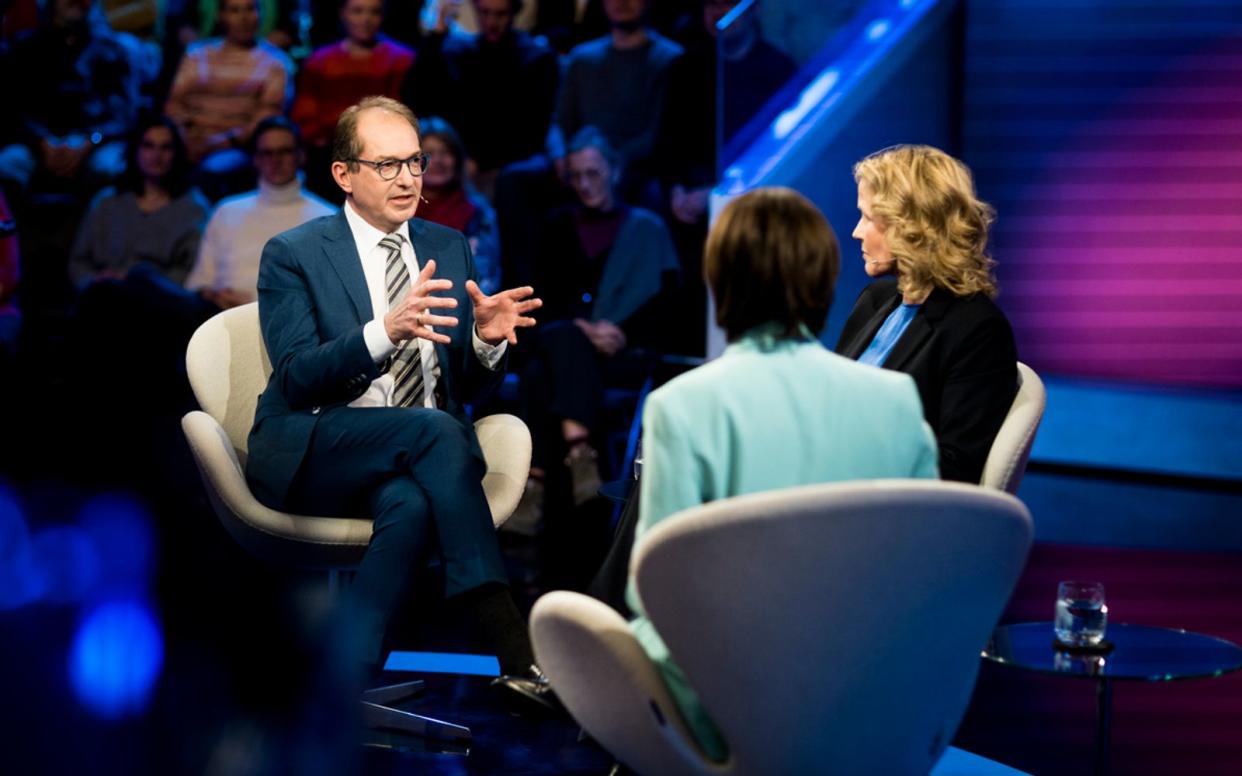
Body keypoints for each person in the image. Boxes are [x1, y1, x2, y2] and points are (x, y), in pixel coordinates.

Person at [244, 97, 546, 693]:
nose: (408, 178)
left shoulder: (449, 244)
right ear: (344, 174)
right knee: (436, 430)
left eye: (415, 162)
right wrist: (385, 331)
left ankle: (342, 683)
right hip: (320, 441)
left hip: (419, 454)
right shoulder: (295, 253)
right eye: (387, 165)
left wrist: (485, 343)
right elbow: (298, 376)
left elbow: (465, 388)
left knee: (409, 500)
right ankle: (509, 640)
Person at [625, 187, 939, 760]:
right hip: (874, 703)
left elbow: (652, 589)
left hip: (732, 707)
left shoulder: (682, 403)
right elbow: (924, 576)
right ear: (822, 281)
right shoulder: (898, 402)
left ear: (721, 280)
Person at [514, 127, 678, 528]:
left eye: (594, 173)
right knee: (559, 343)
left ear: (615, 171)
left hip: (622, 354)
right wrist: (581, 330)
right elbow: (536, 299)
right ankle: (580, 450)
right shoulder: (555, 227)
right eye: (577, 176)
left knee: (540, 374)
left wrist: (623, 334)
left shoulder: (646, 229)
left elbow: (668, 305)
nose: (586, 184)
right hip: (567, 347)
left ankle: (533, 483)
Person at [835, 144, 1018, 484]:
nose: (856, 232)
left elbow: (955, 468)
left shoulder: (978, 329)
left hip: (886, 514)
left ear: (913, 225)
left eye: (868, 218)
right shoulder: (874, 300)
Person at [400, 0, 559, 198]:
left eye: (500, 14)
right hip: (462, 162)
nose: (492, 22)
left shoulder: (535, 59)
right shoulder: (463, 53)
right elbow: (417, 95)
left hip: (506, 165)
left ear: (513, 13)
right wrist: (437, 36)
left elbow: (531, 128)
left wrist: (479, 160)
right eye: (485, 13)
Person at [184, 116, 335, 310]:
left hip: (290, 323)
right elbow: (199, 282)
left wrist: (254, 306)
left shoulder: (327, 218)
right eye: (267, 153)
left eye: (284, 151)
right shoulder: (226, 211)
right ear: (255, 159)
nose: (275, 160)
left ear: (301, 155)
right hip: (219, 317)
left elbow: (330, 296)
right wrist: (213, 296)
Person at [164, 0, 293, 200]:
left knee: (211, 171)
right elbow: (174, 103)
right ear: (221, 16)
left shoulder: (275, 63)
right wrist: (184, 139)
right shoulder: (197, 54)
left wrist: (217, 143)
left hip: (236, 146)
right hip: (188, 141)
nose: (243, 18)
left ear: (260, 14)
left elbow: (266, 118)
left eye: (250, 9)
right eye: (234, 10)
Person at [291, 0, 414, 200]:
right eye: (357, 11)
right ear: (342, 14)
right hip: (329, 154)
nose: (365, 19)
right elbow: (305, 118)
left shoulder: (401, 59)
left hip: (384, 155)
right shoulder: (320, 62)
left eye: (374, 12)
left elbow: (399, 113)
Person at [69, 115, 210, 289]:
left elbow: (190, 270)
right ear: (135, 150)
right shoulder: (106, 201)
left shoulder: (193, 208)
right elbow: (79, 262)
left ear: (176, 153)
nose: (156, 155)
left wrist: (144, 286)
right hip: (104, 294)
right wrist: (94, 280)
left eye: (165, 147)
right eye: (148, 146)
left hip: (160, 300)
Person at [415, 116, 500, 295]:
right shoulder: (394, 213)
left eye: (445, 152)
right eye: (427, 153)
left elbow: (486, 276)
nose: (437, 160)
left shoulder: (478, 214)